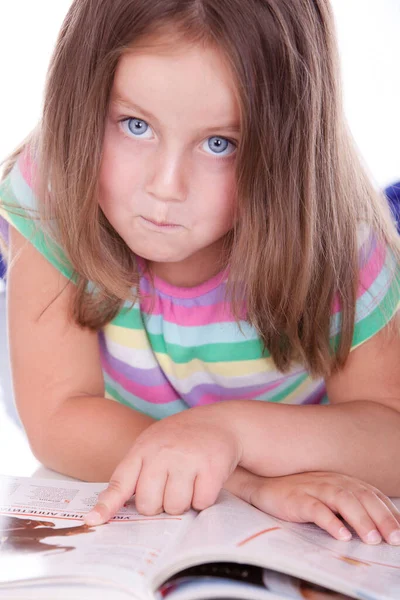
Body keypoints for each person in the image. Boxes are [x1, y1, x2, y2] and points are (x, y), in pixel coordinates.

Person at [0, 0, 399, 547]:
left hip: (287, 440)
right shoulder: (55, 183)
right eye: (135, 124)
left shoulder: (339, 233)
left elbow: (391, 433)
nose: (166, 187)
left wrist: (228, 432)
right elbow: (58, 417)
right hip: (115, 416)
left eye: (220, 144)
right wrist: (243, 480)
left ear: (287, 145)